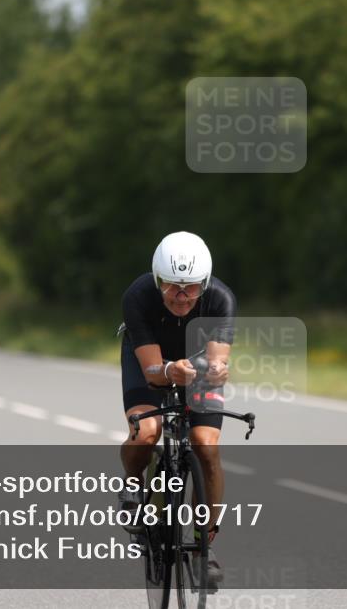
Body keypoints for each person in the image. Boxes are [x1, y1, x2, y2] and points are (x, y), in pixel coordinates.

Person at [117, 231, 235, 583]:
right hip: (150, 361)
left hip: (194, 366)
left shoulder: (220, 298)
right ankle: (134, 483)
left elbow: (217, 359)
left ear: (206, 283)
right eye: (171, 287)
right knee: (146, 431)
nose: (182, 297)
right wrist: (170, 370)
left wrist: (215, 370)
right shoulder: (138, 296)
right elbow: (153, 371)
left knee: (205, 446)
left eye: (192, 287)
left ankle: (204, 544)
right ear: (157, 282)